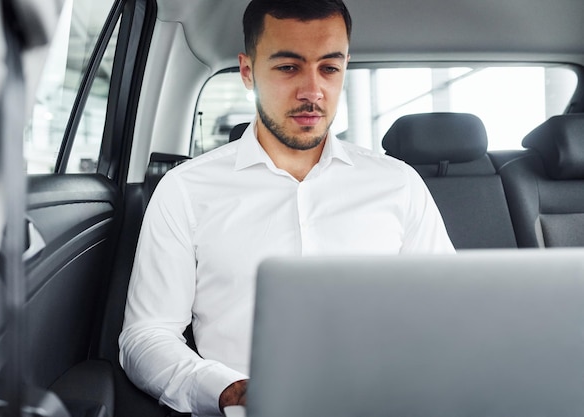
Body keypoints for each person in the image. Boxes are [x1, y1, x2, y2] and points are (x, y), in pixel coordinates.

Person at [119, 0, 455, 415]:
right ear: (247, 72)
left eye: (329, 68)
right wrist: (226, 390)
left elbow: (445, 318)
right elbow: (146, 335)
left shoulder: (399, 185)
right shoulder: (186, 190)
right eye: (288, 67)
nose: (312, 91)